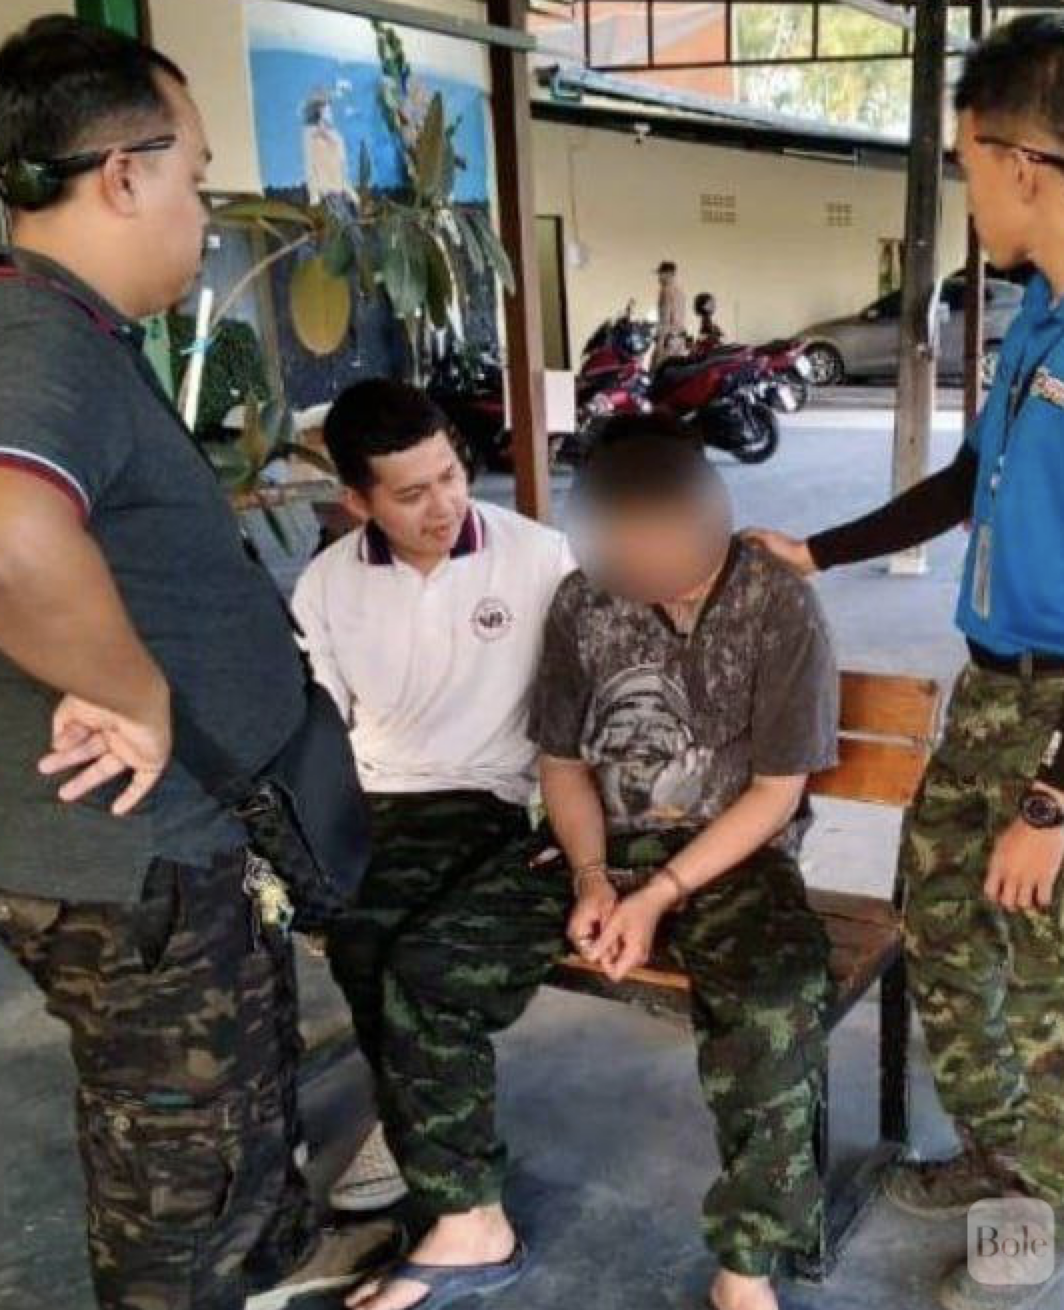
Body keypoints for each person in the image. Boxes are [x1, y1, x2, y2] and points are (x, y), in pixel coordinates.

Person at [750, 15, 1064, 1310]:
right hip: (993, 685)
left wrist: (1053, 801)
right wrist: (815, 549)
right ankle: (1004, 1146)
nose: (967, 193)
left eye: (966, 166)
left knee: (1054, 969)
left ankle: (1050, 1202)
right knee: (941, 918)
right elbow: (967, 482)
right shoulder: (1045, 312)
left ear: (1022, 163)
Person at [0, 16, 396, 1310]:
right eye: (197, 173)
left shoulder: (65, 331)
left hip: (180, 844)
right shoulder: (34, 340)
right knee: (177, 1159)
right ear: (122, 175)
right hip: (137, 854)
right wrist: (135, 694)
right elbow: (10, 530)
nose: (203, 208)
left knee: (234, 1093)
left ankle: (275, 1252)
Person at [345, 413, 840, 1310]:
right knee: (425, 967)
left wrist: (656, 895)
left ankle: (747, 1264)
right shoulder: (585, 599)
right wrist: (591, 878)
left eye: (655, 535)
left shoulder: (776, 604)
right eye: (621, 535)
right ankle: (469, 1221)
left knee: (774, 1003)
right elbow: (563, 763)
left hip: (734, 855)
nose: (637, 558)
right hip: (596, 847)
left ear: (702, 514)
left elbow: (776, 793)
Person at [290, 378, 574, 1216]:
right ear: (357, 500)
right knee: (353, 934)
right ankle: (407, 1110)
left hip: (486, 795)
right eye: (411, 494)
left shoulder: (538, 558)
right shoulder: (328, 584)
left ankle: (413, 1122)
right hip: (374, 796)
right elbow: (322, 723)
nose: (444, 504)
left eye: (450, 474)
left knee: (394, 942)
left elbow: (585, 700)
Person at [653, 258, 689, 366]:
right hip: (680, 340)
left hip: (668, 341)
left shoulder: (665, 291)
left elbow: (665, 320)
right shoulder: (680, 292)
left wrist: (659, 346)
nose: (659, 278)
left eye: (661, 274)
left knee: (657, 371)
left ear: (669, 274)